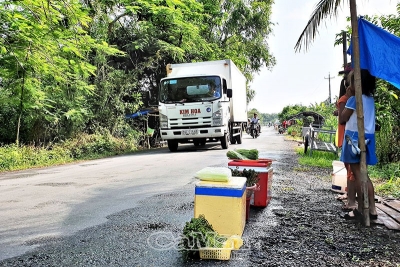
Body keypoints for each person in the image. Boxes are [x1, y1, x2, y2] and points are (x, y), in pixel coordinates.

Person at [339, 69, 378, 220]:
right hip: (368, 137)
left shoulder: (354, 100)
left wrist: (348, 97)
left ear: (357, 84)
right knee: (364, 175)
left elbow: (343, 118)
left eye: (350, 82)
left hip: (353, 137)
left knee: (359, 175)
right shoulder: (370, 99)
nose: (348, 85)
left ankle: (366, 208)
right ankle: (369, 209)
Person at [334, 64, 356, 211]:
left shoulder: (346, 99)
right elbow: (342, 118)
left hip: (348, 133)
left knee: (350, 166)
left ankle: (350, 194)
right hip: (345, 132)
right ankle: (350, 193)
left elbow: (342, 118)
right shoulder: (344, 99)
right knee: (349, 165)